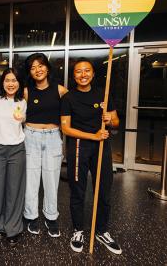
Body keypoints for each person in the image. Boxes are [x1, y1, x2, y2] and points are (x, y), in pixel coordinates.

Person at [60, 58, 122, 254]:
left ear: (93, 74)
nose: (83, 74)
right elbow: (66, 128)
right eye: (79, 71)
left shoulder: (103, 95)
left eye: (87, 71)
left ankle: (102, 231)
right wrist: (92, 136)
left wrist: (109, 120)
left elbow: (116, 122)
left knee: (103, 189)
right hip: (79, 146)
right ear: (74, 76)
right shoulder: (68, 98)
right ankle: (78, 230)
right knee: (78, 190)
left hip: (102, 147)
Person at [23, 53, 68, 237]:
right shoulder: (26, 91)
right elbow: (17, 112)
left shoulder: (60, 90)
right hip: (30, 136)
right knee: (31, 180)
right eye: (32, 68)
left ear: (47, 68)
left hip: (52, 137)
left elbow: (75, 106)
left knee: (51, 179)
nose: (37, 70)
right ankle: (31, 215)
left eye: (40, 66)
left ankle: (51, 216)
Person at [0, 68, 27, 247]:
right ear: (2, 83)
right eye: (7, 80)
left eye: (14, 80)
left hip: (17, 149)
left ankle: (13, 227)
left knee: (14, 190)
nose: (11, 84)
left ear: (19, 83)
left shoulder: (23, 101)